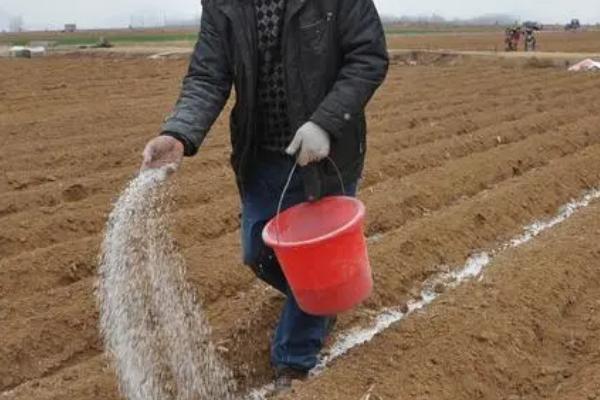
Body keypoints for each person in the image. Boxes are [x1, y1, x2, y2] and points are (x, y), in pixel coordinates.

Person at [140, 0, 389, 391]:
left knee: (315, 256)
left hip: (324, 152)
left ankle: (293, 364)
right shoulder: (223, 5)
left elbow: (368, 57)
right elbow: (208, 75)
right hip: (262, 155)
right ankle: (322, 299)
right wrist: (179, 133)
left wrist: (324, 123)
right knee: (258, 253)